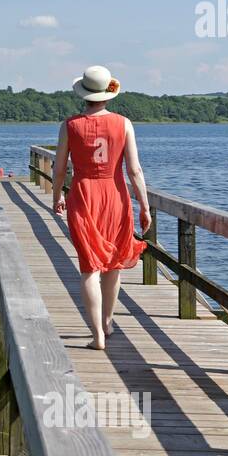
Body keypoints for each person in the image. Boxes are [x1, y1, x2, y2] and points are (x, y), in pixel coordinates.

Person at [51, 66, 150, 350]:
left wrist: (57, 196)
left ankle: (97, 336)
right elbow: (135, 170)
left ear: (84, 94)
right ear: (107, 93)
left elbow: (59, 169)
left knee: (89, 267)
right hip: (115, 195)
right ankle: (108, 322)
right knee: (113, 265)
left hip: (83, 195)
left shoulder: (70, 126)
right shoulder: (124, 123)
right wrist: (144, 206)